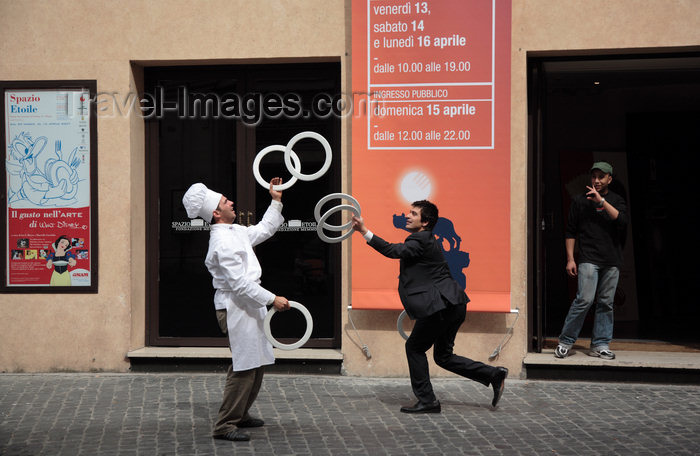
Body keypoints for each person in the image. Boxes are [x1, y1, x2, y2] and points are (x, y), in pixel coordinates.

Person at [351, 200, 508, 413]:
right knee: (443, 356)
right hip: (453, 304)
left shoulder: (420, 238)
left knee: (414, 348)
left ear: (425, 222)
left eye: (413, 214)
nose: (408, 216)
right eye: (409, 212)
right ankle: (493, 374)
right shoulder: (426, 238)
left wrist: (364, 231)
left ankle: (428, 401)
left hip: (441, 307)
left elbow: (392, 250)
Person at [182, 178, 290, 442]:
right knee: (244, 365)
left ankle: (241, 414)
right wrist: (271, 298)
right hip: (236, 306)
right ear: (216, 213)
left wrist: (275, 200)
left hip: (246, 304)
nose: (231, 201)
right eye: (224, 201)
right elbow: (239, 284)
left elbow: (264, 229)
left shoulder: (235, 231)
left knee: (257, 362)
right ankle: (225, 424)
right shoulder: (222, 241)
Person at [555, 161, 628, 360]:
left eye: (601, 177)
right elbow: (571, 231)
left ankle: (600, 344)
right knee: (584, 300)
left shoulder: (617, 200)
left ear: (609, 179)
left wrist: (601, 202)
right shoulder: (580, 201)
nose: (596, 180)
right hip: (589, 258)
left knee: (606, 302)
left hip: (611, 260)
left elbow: (621, 221)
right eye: (594, 176)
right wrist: (570, 259)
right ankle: (566, 341)